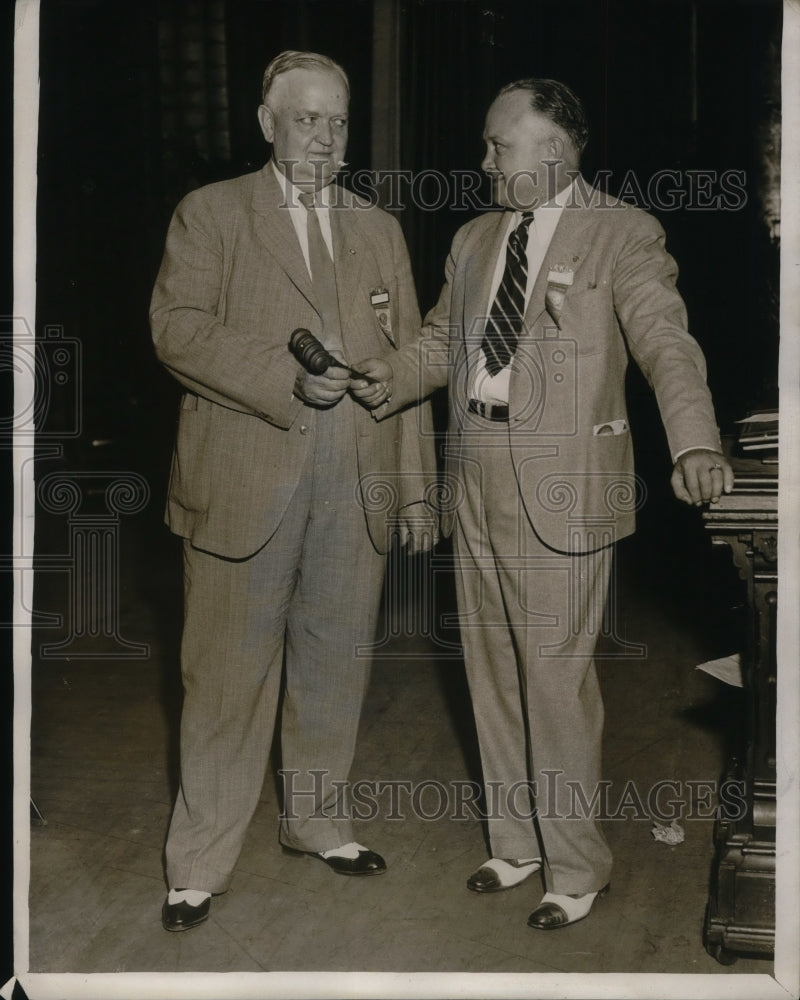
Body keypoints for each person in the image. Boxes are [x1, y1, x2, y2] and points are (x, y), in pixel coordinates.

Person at [351, 78, 734, 930]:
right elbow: (441, 343)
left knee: (556, 682)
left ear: (554, 151)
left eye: (499, 146)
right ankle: (516, 840)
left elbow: (665, 340)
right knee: (488, 666)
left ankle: (575, 864)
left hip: (564, 481)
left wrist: (696, 440)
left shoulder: (623, 232)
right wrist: (390, 376)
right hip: (476, 467)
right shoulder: (474, 238)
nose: (483, 160)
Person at [151, 50, 436, 932]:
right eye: (307, 118)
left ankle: (316, 821)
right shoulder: (212, 213)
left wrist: (417, 490)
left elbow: (412, 356)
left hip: (356, 486)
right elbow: (177, 329)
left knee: (333, 666)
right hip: (245, 482)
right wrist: (282, 380)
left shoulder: (378, 227)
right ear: (269, 124)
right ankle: (198, 861)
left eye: (338, 121)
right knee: (226, 679)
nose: (325, 135)